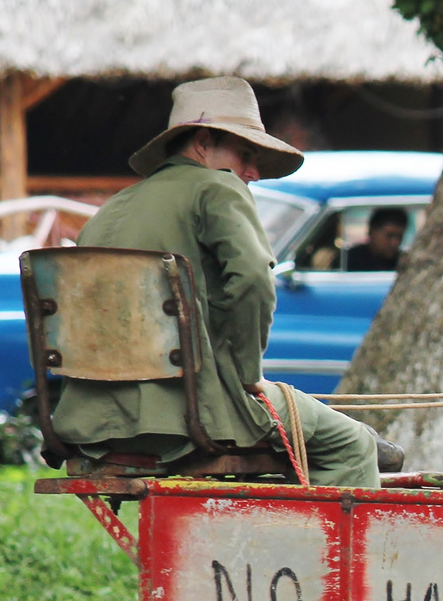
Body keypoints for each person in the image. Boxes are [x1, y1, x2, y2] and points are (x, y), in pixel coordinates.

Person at [52, 77, 388, 487]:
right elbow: (252, 280)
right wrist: (248, 376)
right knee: (354, 444)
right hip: (195, 416)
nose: (253, 172)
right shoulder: (217, 186)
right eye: (245, 154)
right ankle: (314, 551)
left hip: (92, 427)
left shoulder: (110, 209)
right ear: (203, 143)